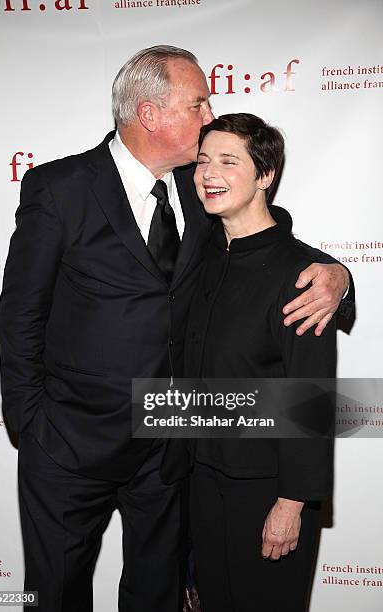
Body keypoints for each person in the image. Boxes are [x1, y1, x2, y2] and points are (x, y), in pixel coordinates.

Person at [0, 47, 351, 612]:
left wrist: (338, 274)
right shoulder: (60, 188)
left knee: (157, 593)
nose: (210, 116)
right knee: (52, 595)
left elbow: (260, 238)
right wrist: (32, 423)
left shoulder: (197, 185)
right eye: (198, 103)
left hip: (168, 449)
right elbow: (19, 316)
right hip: (68, 445)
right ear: (150, 113)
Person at [185, 113, 342, 612]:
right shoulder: (197, 258)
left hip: (267, 491)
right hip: (198, 483)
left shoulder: (303, 277)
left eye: (229, 162)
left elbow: (310, 399)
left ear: (265, 175)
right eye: (203, 160)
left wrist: (292, 502)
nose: (210, 173)